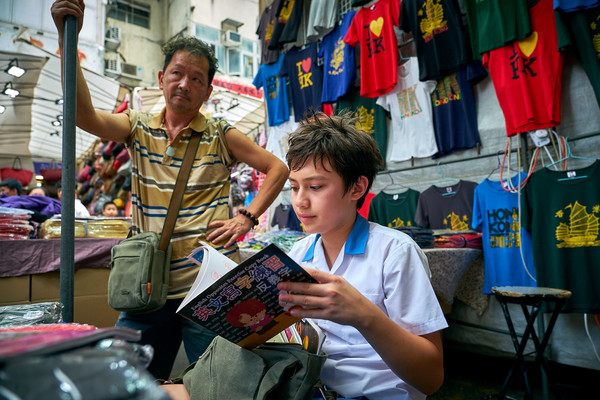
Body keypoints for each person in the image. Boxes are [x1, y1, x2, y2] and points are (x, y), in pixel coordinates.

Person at [51, 0, 289, 380]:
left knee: (217, 383)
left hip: (211, 290)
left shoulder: (222, 134)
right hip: (148, 286)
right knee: (131, 380)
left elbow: (278, 168)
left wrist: (247, 216)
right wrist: (70, 40)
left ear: (208, 91)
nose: (185, 84)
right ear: (162, 77)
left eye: (197, 79)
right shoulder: (136, 126)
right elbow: (85, 118)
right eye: (178, 73)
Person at [277, 112, 448, 399]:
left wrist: (363, 315)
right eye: (294, 187)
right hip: (308, 389)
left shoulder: (394, 252)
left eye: (315, 187)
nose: (299, 201)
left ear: (357, 187)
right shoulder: (298, 253)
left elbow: (431, 378)